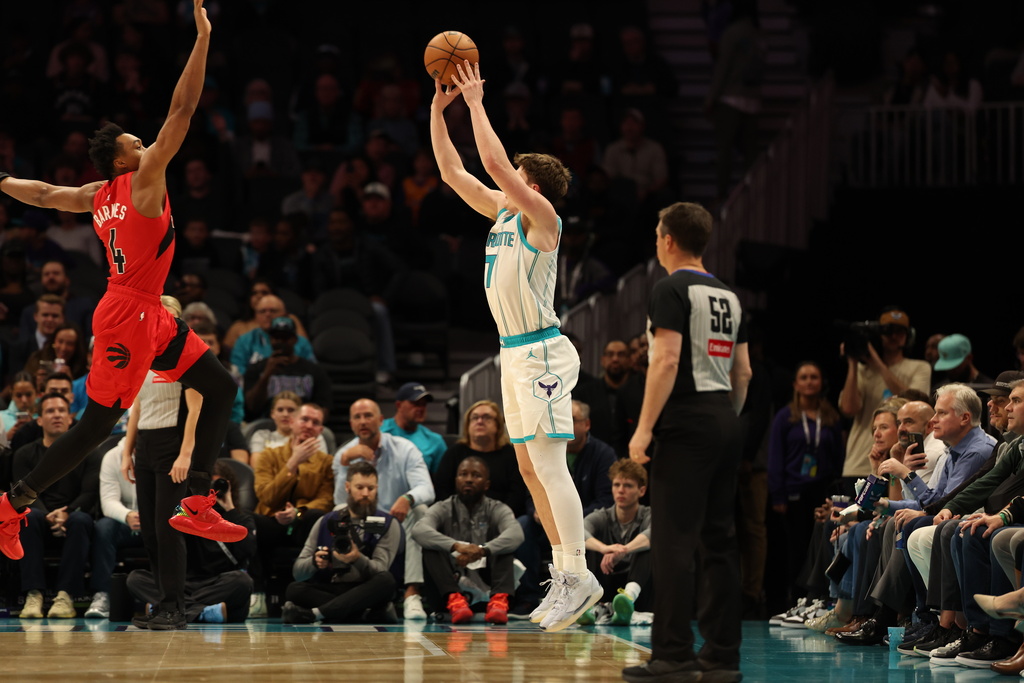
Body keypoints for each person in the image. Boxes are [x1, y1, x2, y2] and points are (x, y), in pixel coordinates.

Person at [0, 0, 245, 561]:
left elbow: (38, 193)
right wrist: (203, 37)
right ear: (121, 160)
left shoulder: (95, 196)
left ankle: (199, 503)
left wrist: (1, 178)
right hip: (128, 314)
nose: (145, 143)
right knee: (94, 426)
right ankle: (13, 505)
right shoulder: (143, 180)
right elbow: (183, 109)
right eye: (136, 142)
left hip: (150, 312)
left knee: (221, 387)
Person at [430, 59, 601, 633]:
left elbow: (494, 163)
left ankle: (580, 574)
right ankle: (563, 570)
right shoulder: (503, 211)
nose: (507, 176)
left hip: (544, 351)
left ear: (530, 183)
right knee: (529, 469)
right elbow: (455, 171)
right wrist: (439, 108)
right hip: (513, 354)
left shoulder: (543, 216)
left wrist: (477, 103)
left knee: (552, 467)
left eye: (516, 172)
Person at [625, 202, 752, 683]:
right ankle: (721, 657)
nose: (657, 242)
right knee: (720, 542)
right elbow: (744, 372)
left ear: (669, 240)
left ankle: (673, 656)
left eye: (658, 235)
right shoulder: (730, 296)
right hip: (724, 417)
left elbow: (665, 361)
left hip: (685, 421)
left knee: (673, 542)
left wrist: (643, 429)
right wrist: (725, 422)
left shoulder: (671, 288)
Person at [334, 398, 435, 620]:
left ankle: (412, 594)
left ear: (380, 420)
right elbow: (340, 502)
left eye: (368, 415)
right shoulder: (344, 454)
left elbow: (427, 488)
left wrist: (408, 497)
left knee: (421, 510)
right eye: (357, 417)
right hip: (363, 527)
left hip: (395, 524)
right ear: (351, 423)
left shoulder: (404, 448)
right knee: (341, 509)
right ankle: (344, 589)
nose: (363, 421)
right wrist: (344, 465)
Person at [128, 460, 257, 625]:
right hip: (181, 582)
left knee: (242, 581)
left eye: (216, 486)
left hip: (216, 583)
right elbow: (165, 537)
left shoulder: (239, 518)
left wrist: (229, 509)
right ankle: (202, 612)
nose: (211, 492)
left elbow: (248, 551)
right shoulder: (183, 514)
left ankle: (175, 610)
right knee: (135, 578)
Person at [283, 461, 401, 624]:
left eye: (371, 488)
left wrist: (357, 558)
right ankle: (366, 614)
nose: (366, 493)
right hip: (334, 587)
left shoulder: (387, 522)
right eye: (359, 488)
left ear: (377, 488)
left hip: (368, 589)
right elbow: (298, 573)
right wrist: (314, 562)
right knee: (294, 590)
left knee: (387, 581)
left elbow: (381, 570)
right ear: (347, 487)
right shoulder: (326, 521)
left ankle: (314, 614)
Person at [412, 455, 524, 625]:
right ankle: (455, 601)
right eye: (463, 474)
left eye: (476, 475)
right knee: (431, 547)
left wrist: (483, 550)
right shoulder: (442, 507)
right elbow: (419, 530)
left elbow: (516, 534)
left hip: (488, 584)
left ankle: (499, 603)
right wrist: (456, 546)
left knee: (505, 545)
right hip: (450, 586)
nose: (469, 479)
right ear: (456, 480)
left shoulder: (498, 508)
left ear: (487, 484)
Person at [13, 392, 97, 619]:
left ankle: (65, 597)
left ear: (70, 418)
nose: (56, 415)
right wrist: (48, 514)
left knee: (81, 520)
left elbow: (90, 493)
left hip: (74, 517)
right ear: (39, 420)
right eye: (50, 411)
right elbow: (22, 493)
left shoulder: (88, 453)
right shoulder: (24, 453)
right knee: (27, 516)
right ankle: (33, 595)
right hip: (39, 516)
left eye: (61, 410)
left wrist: (68, 512)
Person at [767, 361, 845, 604]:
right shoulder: (785, 417)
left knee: (823, 545)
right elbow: (775, 457)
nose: (809, 381)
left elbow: (840, 456)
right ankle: (796, 599)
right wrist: (778, 495)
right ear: (795, 384)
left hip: (823, 491)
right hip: (794, 492)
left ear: (821, 382)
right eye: (804, 377)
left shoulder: (831, 416)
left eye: (814, 377)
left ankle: (821, 597)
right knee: (797, 549)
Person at [578, 459, 653, 626]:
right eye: (616, 485)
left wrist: (623, 550)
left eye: (627, 486)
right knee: (589, 546)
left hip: (639, 587)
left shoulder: (648, 514)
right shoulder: (602, 515)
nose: (620, 490)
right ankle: (589, 605)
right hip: (606, 580)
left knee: (647, 548)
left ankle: (627, 599)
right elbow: (579, 531)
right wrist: (605, 548)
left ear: (641, 491)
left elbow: (653, 534)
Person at [432, 399, 527, 517]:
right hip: (457, 517)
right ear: (467, 425)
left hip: (502, 519)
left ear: (498, 425)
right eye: (475, 418)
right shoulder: (454, 452)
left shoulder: (511, 455)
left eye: (486, 417)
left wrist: (498, 518)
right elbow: (443, 490)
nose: (480, 421)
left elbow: (517, 495)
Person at [242, 316, 331, 421]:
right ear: (270, 340)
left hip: (303, 424)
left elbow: (323, 409)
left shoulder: (314, 371)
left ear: (295, 340)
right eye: (276, 338)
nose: (280, 342)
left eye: (285, 338)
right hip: (266, 424)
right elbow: (251, 407)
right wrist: (267, 374)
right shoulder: (256, 368)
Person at [248, 390, 328, 465]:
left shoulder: (313, 437)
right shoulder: (261, 436)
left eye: (291, 410)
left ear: (298, 414)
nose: (285, 414)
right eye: (280, 410)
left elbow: (321, 467)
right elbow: (257, 466)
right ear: (272, 413)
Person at [381, 382, 447, 473]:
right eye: (415, 404)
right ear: (399, 405)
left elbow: (442, 482)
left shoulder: (435, 441)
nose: (421, 409)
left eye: (424, 404)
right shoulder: (379, 431)